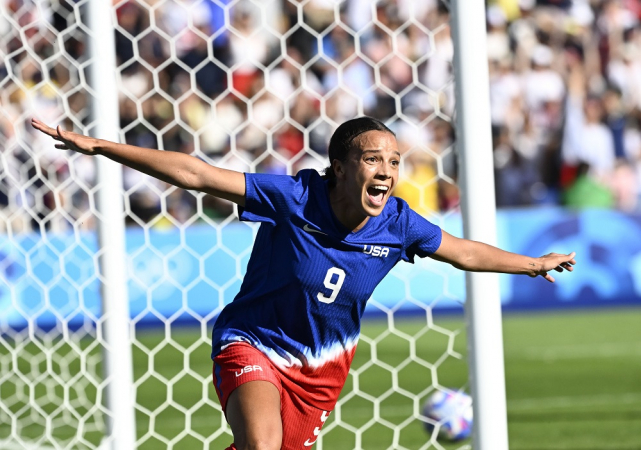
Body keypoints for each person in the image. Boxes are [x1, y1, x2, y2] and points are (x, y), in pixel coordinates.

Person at [31, 116, 576, 450]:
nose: (387, 170)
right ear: (340, 167)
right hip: (254, 342)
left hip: (321, 371)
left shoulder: (400, 222)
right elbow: (196, 173)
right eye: (372, 159)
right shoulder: (293, 199)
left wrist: (532, 263)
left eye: (394, 160)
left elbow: (462, 251)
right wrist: (102, 148)